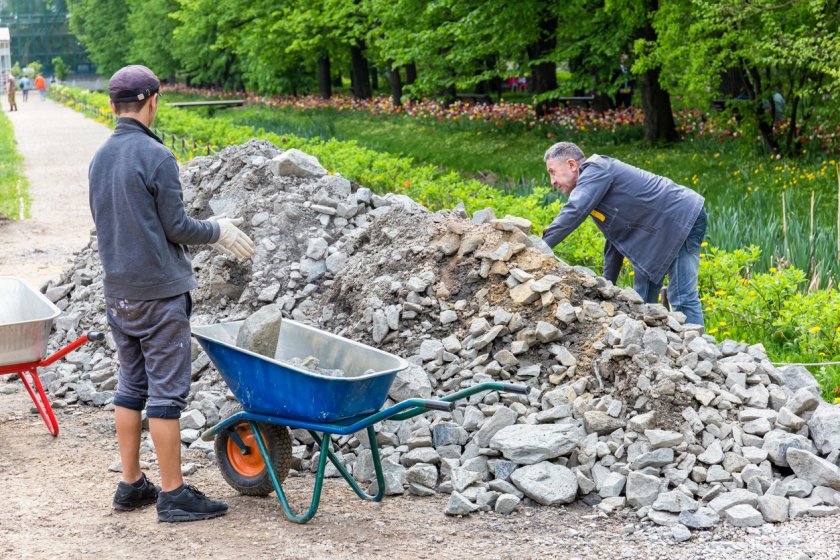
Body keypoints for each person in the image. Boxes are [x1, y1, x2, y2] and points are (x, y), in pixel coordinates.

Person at [89, 64, 254, 522]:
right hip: (159, 296)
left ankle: (130, 484)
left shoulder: (100, 156)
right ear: (153, 100)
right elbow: (177, 226)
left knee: (130, 386)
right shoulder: (156, 156)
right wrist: (218, 229)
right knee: (165, 394)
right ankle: (174, 494)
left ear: (111, 105)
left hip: (118, 293)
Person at [541, 142, 707, 327]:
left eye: (552, 172)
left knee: (682, 296)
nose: (552, 181)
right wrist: (606, 286)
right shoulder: (595, 187)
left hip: (681, 219)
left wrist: (541, 246)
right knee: (640, 299)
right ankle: (650, 347)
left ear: (572, 165)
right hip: (657, 232)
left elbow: (574, 211)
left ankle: (702, 353)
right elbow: (616, 240)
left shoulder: (596, 170)